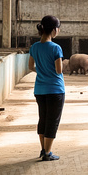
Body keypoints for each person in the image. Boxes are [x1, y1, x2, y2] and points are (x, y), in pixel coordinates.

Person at [28, 15, 65, 161]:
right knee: (52, 121)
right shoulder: (56, 48)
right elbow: (59, 70)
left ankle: (43, 150)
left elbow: (31, 67)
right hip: (55, 89)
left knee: (43, 119)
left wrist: (42, 71)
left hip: (40, 90)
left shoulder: (34, 47)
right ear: (54, 30)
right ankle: (48, 153)